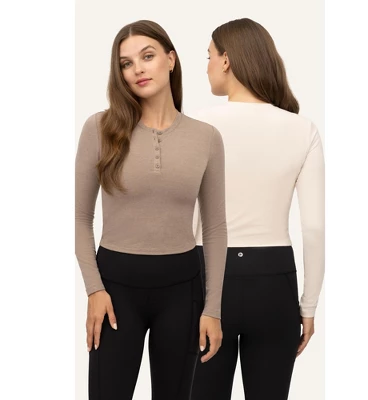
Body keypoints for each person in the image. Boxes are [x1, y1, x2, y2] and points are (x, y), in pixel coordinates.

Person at [75, 20, 227, 400]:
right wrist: (94, 290)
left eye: (147, 56)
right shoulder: (100, 128)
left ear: (170, 59)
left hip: (182, 290)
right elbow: (80, 218)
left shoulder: (206, 138)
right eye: (126, 64)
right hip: (115, 291)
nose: (137, 70)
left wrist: (213, 308)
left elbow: (215, 229)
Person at [189, 18, 325, 400]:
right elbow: (314, 228)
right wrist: (309, 305)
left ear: (226, 60)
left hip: (206, 279)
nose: (207, 66)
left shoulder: (196, 126)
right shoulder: (303, 129)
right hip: (274, 285)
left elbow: (183, 219)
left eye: (209, 56)